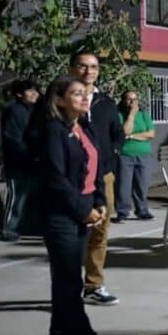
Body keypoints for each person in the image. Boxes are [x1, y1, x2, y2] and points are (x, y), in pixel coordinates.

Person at [36, 76, 107, 335]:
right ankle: (83, 333)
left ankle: (59, 329)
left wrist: (99, 202)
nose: (84, 97)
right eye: (76, 93)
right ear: (59, 100)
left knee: (65, 275)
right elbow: (56, 178)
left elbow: (96, 169)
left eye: (85, 93)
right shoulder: (53, 131)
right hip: (62, 213)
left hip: (86, 208)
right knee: (69, 278)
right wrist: (82, 209)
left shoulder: (85, 129)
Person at [70, 53, 123, 307]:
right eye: (83, 66)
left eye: (93, 67)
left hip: (103, 177)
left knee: (100, 231)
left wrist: (111, 154)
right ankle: (67, 288)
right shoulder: (61, 100)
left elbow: (118, 135)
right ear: (72, 69)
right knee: (72, 233)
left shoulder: (106, 102)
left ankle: (93, 285)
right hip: (72, 178)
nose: (88, 71)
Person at [0, 79, 39, 240]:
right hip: (18, 163)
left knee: (29, 197)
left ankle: (26, 227)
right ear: (19, 94)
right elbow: (12, 139)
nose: (34, 94)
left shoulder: (35, 111)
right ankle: (9, 228)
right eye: (30, 91)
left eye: (35, 90)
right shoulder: (14, 111)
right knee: (17, 197)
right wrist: (28, 154)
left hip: (33, 161)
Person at [113, 91, 156, 223]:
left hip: (144, 154)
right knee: (123, 185)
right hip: (126, 154)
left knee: (142, 184)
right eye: (129, 99)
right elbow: (125, 131)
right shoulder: (119, 115)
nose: (132, 102)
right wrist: (131, 115)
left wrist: (132, 136)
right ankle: (122, 211)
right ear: (123, 101)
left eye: (134, 99)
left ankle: (142, 210)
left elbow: (151, 134)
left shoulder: (144, 115)